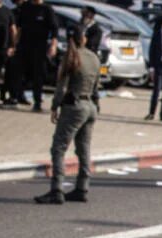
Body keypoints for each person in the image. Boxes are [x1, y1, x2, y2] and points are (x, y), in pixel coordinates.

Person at [35, 24, 98, 205]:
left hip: (74, 106)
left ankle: (56, 189)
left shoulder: (71, 57)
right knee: (84, 148)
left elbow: (62, 87)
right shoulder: (93, 57)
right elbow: (96, 86)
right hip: (90, 106)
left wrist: (55, 106)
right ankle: (82, 187)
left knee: (59, 148)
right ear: (83, 38)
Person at [13, 0, 56, 113]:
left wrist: (53, 46)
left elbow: (54, 29)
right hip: (24, 45)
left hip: (39, 47)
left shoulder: (47, 9)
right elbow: (19, 27)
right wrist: (14, 44)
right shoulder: (25, 7)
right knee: (19, 72)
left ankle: (37, 102)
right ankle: (17, 97)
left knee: (38, 74)